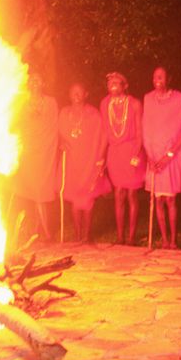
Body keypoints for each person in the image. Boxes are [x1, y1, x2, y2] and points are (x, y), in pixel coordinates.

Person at [143, 67, 181, 249]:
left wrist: (169, 155)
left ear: (169, 78)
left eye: (161, 76)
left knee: (170, 200)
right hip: (153, 156)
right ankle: (164, 238)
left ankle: (173, 240)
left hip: (172, 155)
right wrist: (149, 155)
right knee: (158, 200)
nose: (157, 79)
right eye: (155, 76)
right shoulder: (148, 98)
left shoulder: (178, 99)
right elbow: (145, 127)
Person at [58, 82, 110, 243]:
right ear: (69, 95)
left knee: (87, 198)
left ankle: (87, 236)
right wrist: (61, 143)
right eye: (73, 92)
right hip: (72, 160)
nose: (76, 95)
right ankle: (77, 234)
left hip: (89, 160)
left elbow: (103, 137)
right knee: (74, 197)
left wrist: (101, 158)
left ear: (86, 94)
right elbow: (59, 134)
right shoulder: (64, 113)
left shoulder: (93, 114)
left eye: (80, 92)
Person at [11, 76, 59, 243]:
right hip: (29, 152)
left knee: (41, 192)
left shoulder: (51, 102)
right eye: (32, 82)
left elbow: (54, 125)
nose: (35, 84)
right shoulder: (24, 102)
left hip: (45, 152)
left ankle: (46, 233)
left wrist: (49, 147)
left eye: (38, 81)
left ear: (43, 83)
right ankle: (37, 232)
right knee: (30, 192)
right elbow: (20, 125)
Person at [101, 72, 146, 245]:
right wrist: (102, 156)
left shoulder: (134, 104)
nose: (112, 85)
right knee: (118, 193)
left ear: (124, 85)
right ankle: (120, 236)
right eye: (110, 82)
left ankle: (132, 236)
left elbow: (140, 131)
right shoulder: (105, 104)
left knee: (131, 194)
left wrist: (136, 153)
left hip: (131, 150)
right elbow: (105, 131)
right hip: (115, 153)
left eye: (116, 82)